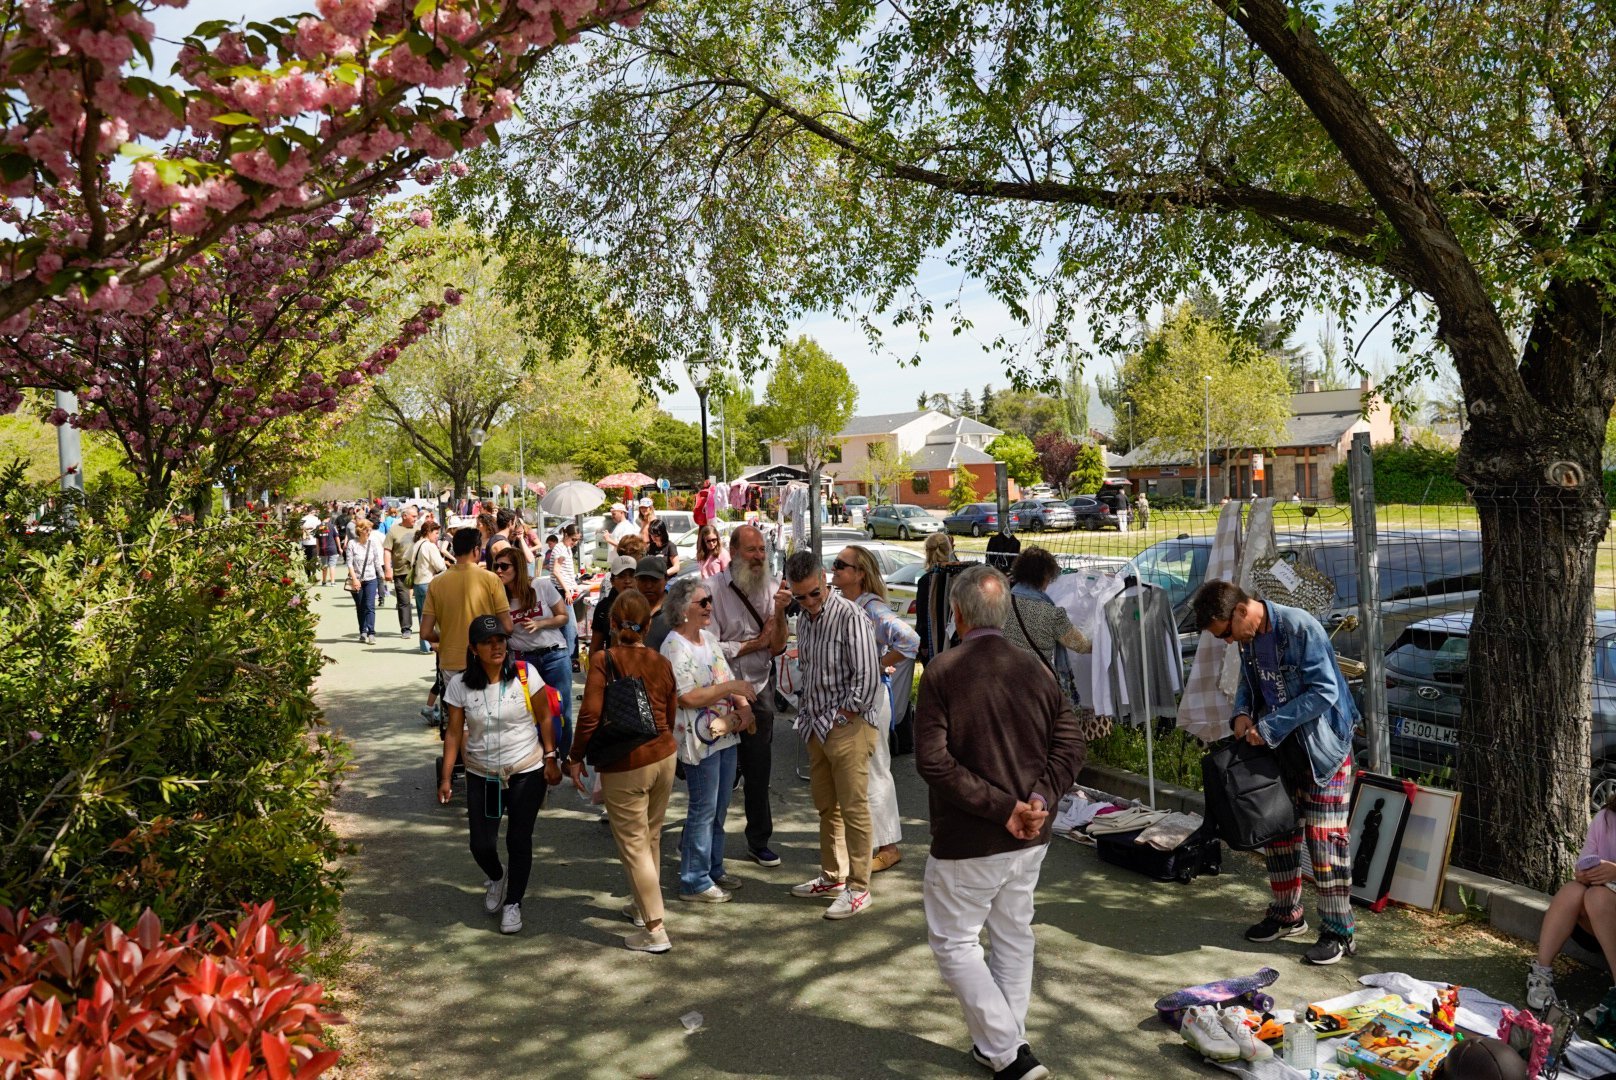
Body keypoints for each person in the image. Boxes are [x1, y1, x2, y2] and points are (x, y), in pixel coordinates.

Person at [915, 563, 1085, 1080]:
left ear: (958, 613)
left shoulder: (944, 670)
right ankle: (1003, 1043)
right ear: (1005, 610)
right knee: (1012, 934)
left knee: (955, 942)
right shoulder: (1036, 669)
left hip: (974, 838)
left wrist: (1014, 805)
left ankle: (1007, 1050)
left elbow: (933, 761)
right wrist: (1037, 799)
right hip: (1028, 833)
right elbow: (1071, 742)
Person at [1193, 579, 1360, 965]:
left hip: (1324, 752)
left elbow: (1323, 692)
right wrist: (1241, 713)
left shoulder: (1300, 627)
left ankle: (1339, 931)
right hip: (1283, 753)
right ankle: (1288, 914)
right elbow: (1249, 685)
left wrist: (1267, 728)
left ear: (1239, 611)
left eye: (1226, 634)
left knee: (1325, 839)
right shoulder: (1249, 637)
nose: (1228, 643)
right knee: (1279, 830)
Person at [567, 590, 680, 952]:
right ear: (648, 626)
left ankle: (654, 928)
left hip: (625, 761)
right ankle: (641, 906)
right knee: (651, 838)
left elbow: (589, 716)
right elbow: (672, 709)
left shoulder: (603, 660)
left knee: (634, 845)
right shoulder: (660, 662)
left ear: (612, 624)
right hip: (664, 754)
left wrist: (575, 756)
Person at [437, 615, 561, 936]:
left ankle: (513, 903)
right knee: (481, 844)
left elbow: (545, 717)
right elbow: (453, 734)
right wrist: (447, 777)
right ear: (473, 649)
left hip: (525, 769)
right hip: (483, 774)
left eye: (501, 640)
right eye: (488, 642)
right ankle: (496, 876)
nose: (497, 646)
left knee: (518, 839)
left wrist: (550, 756)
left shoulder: (524, 674)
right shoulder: (459, 685)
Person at [783, 548, 883, 920]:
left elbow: (868, 677)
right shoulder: (805, 619)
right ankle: (833, 875)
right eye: (800, 596)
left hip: (847, 726)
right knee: (827, 807)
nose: (808, 602)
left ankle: (859, 887)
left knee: (854, 807)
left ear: (824, 579)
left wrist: (843, 716)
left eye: (814, 593)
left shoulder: (851, 616)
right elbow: (808, 669)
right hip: (816, 725)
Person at [661, 575, 757, 903]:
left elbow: (727, 676)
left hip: (723, 734)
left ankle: (713, 868)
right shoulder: (674, 646)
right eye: (702, 602)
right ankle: (694, 880)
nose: (709, 607)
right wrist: (732, 691)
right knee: (703, 807)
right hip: (697, 740)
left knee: (719, 807)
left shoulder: (708, 639)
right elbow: (686, 698)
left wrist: (744, 709)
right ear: (681, 608)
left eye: (709, 601)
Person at [830, 545, 916, 874]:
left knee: (875, 770)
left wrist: (876, 665)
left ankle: (889, 846)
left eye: (841, 565)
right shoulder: (847, 604)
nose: (835, 569)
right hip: (852, 697)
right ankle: (868, 841)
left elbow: (909, 640)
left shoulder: (871, 607)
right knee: (856, 771)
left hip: (868, 699)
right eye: (836, 564)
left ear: (860, 573)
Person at [710, 524, 790, 868]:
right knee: (717, 774)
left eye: (762, 550)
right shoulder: (710, 589)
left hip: (759, 689)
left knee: (759, 772)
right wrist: (754, 644)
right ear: (733, 552)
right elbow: (710, 650)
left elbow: (779, 646)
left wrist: (782, 614)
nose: (758, 557)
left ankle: (759, 841)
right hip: (723, 691)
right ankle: (701, 843)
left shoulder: (772, 588)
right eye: (751, 550)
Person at [1527, 794, 1616, 1016]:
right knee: (1573, 890)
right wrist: (1584, 873)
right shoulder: (1605, 818)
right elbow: (1584, 863)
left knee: (1598, 897)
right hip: (1599, 918)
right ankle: (1541, 974)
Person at [497, 549, 573, 748]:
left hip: (554, 655)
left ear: (518, 568)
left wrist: (541, 624)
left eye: (504, 566)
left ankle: (566, 758)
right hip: (524, 661)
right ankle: (541, 760)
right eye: (496, 566)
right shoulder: (499, 597)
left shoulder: (541, 585)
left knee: (561, 709)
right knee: (528, 713)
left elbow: (563, 617)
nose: (499, 570)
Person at [422, 528, 514, 685]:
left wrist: (445, 637)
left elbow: (425, 632)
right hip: (485, 659)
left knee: (455, 708)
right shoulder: (491, 579)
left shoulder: (436, 583)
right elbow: (507, 626)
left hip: (451, 660)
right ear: (476, 550)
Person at [1001, 546, 1090, 706]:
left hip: (1004, 682)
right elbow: (1080, 645)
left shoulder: (1001, 603)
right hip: (1036, 686)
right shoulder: (1052, 614)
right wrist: (1103, 643)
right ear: (1045, 576)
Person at [916, 532, 968, 664]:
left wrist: (923, 646)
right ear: (949, 549)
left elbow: (921, 618)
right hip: (959, 642)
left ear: (927, 552)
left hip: (932, 644)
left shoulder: (924, 581)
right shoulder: (963, 578)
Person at [409, 519, 449, 655]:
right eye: (436, 533)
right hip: (429, 582)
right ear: (429, 532)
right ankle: (428, 645)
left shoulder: (417, 544)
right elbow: (440, 566)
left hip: (417, 583)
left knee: (422, 615)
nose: (437, 536)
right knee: (432, 616)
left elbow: (407, 559)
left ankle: (424, 645)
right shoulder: (429, 546)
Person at [589, 554, 639, 659]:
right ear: (612, 581)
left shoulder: (644, 605)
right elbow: (595, 647)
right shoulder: (603, 607)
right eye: (621, 576)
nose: (627, 581)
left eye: (632, 575)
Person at [382, 505, 419, 640]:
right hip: (400, 571)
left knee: (423, 600)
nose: (416, 519)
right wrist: (388, 569)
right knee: (404, 601)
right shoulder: (393, 531)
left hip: (418, 571)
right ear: (405, 516)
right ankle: (406, 628)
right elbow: (387, 550)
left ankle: (425, 626)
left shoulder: (419, 530)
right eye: (413, 516)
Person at [346, 518, 385, 644]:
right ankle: (362, 631)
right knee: (360, 606)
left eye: (370, 529)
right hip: (356, 578)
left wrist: (382, 575)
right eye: (367, 530)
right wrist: (355, 579)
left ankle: (371, 632)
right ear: (360, 530)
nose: (369, 532)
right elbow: (350, 563)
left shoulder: (372, 543)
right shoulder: (352, 544)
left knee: (370, 606)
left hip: (371, 578)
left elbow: (376, 561)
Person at [550, 523, 581, 664]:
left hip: (565, 589)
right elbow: (556, 571)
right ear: (566, 535)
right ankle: (571, 659)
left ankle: (570, 658)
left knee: (567, 626)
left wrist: (573, 585)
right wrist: (567, 590)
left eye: (577, 540)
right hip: (561, 591)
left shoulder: (566, 548)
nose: (575, 543)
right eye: (573, 539)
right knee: (570, 626)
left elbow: (565, 572)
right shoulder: (561, 549)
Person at [636, 556, 673, 652]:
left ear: (666, 579)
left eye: (654, 580)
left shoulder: (677, 610)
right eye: (643, 580)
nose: (648, 585)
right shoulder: (629, 609)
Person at [316, 509, 343, 587]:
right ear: (329, 517)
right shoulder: (332, 526)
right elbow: (337, 537)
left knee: (324, 565)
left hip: (322, 548)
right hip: (332, 548)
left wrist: (318, 551)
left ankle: (324, 581)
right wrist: (339, 547)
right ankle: (332, 581)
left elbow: (317, 540)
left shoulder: (318, 527)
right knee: (332, 565)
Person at [299, 506, 320, 585]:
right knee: (314, 560)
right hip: (314, 542)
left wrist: (305, 529)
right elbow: (319, 528)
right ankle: (313, 576)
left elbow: (300, 528)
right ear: (312, 511)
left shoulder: (303, 519)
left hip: (305, 542)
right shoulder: (316, 519)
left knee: (307, 559)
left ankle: (308, 576)